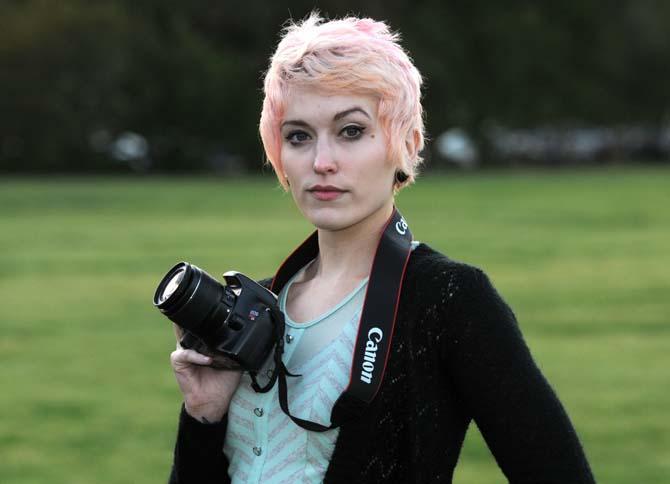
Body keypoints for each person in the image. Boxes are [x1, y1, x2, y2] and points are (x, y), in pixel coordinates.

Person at [167, 12, 595, 484]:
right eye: (299, 136)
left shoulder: (448, 299)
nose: (321, 162)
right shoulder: (261, 307)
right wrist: (203, 417)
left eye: (351, 131)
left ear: (406, 145)